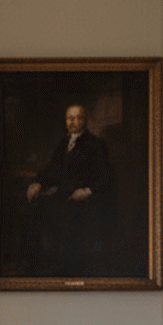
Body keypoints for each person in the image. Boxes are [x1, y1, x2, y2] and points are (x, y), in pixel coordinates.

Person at [25, 104, 113, 276]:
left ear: (84, 120)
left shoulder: (96, 144)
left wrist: (87, 190)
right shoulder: (64, 143)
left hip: (84, 200)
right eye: (69, 118)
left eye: (77, 118)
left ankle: (64, 266)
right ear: (65, 121)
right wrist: (38, 183)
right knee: (31, 208)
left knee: (62, 215)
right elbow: (52, 170)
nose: (73, 122)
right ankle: (32, 264)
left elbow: (104, 178)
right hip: (62, 196)